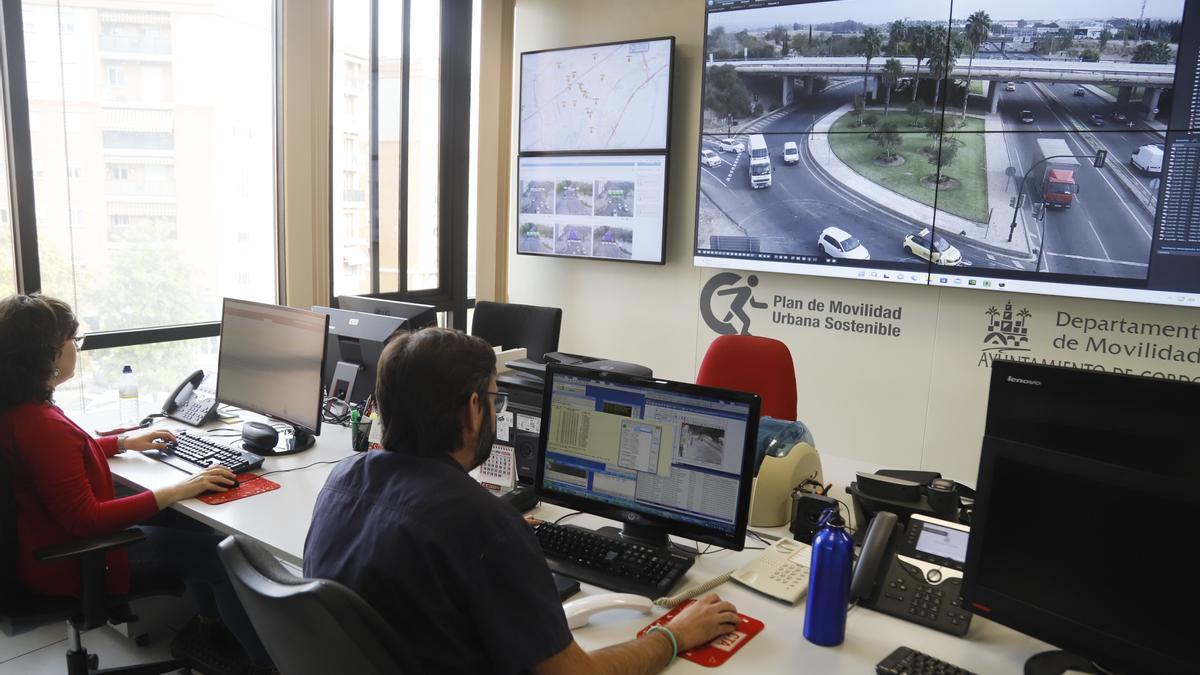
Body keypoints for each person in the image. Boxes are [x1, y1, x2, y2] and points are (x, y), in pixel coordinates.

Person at [304, 327, 741, 674]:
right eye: (495, 399)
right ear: (472, 410)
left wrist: (501, 540)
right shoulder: (481, 525)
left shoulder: (340, 482)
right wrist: (674, 636)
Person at [0, 293, 272, 674]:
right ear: (47, 353)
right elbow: (87, 520)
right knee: (223, 555)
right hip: (78, 559)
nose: (75, 349)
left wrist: (125, 441)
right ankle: (267, 665)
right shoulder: (42, 426)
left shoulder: (18, 410)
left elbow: (58, 459)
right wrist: (179, 488)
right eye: (72, 341)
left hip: (45, 547)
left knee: (193, 522)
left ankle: (212, 629)